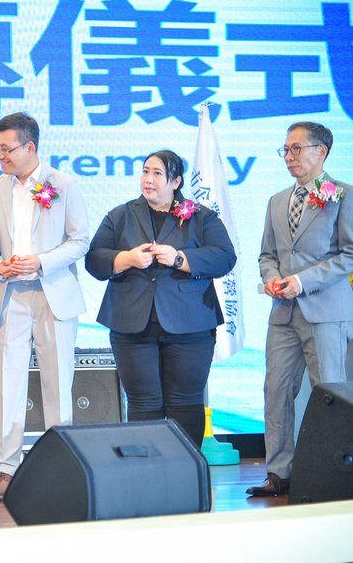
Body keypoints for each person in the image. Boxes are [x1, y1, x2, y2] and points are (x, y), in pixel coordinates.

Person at [85, 149, 236, 448]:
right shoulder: (121, 215)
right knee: (143, 401)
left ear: (176, 181)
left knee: (185, 400)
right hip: (132, 324)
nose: (148, 179)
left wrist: (180, 258)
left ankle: (184, 465)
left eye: (157, 174)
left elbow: (224, 257)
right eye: (145, 171)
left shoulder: (200, 216)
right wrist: (126, 259)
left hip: (190, 324)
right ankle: (149, 467)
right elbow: (94, 260)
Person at [0, 112, 89, 502]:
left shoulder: (64, 184)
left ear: (30, 147)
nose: (0, 156)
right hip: (10, 295)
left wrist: (41, 261)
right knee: (6, 383)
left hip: (53, 292)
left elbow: (80, 240)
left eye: (6, 149)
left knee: (57, 383)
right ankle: (6, 470)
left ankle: (62, 469)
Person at [248, 122, 353, 497]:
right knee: (276, 391)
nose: (289, 157)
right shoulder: (277, 200)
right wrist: (273, 277)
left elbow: (349, 254)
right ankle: (279, 473)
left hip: (325, 311)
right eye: (286, 150)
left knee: (330, 395)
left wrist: (302, 281)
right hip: (282, 313)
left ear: (320, 152)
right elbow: (267, 254)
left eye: (296, 149)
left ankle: (334, 474)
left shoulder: (343, 195)